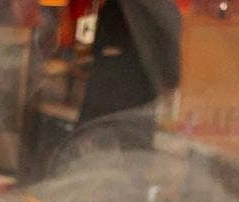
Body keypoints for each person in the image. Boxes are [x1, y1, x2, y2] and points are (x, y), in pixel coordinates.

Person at [77, 0, 180, 149]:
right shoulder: (162, 9)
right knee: (133, 152)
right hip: (141, 94)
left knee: (103, 154)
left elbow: (100, 52)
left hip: (114, 94)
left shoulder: (117, 8)